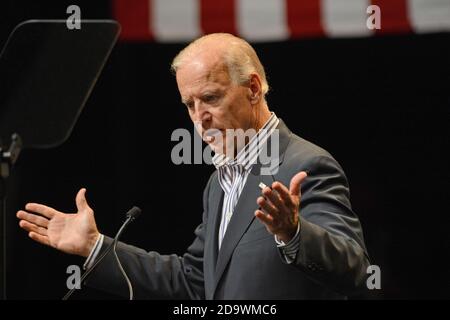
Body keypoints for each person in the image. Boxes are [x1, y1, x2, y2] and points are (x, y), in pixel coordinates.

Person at [16, 33, 370, 299]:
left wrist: (293, 233)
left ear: (253, 88)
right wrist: (96, 246)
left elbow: (355, 270)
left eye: (211, 98)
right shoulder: (219, 182)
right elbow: (195, 280)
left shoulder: (306, 163)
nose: (199, 118)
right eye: (189, 104)